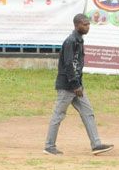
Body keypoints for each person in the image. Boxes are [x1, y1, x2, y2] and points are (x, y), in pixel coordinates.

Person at [44, 13, 114, 156]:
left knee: (88, 112)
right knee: (58, 115)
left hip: (77, 86)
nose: (88, 27)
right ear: (77, 25)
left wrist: (79, 85)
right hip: (67, 86)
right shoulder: (71, 41)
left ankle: (96, 144)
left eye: (88, 24)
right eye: (85, 24)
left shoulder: (79, 40)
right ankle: (49, 146)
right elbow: (68, 64)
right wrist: (75, 84)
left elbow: (77, 65)